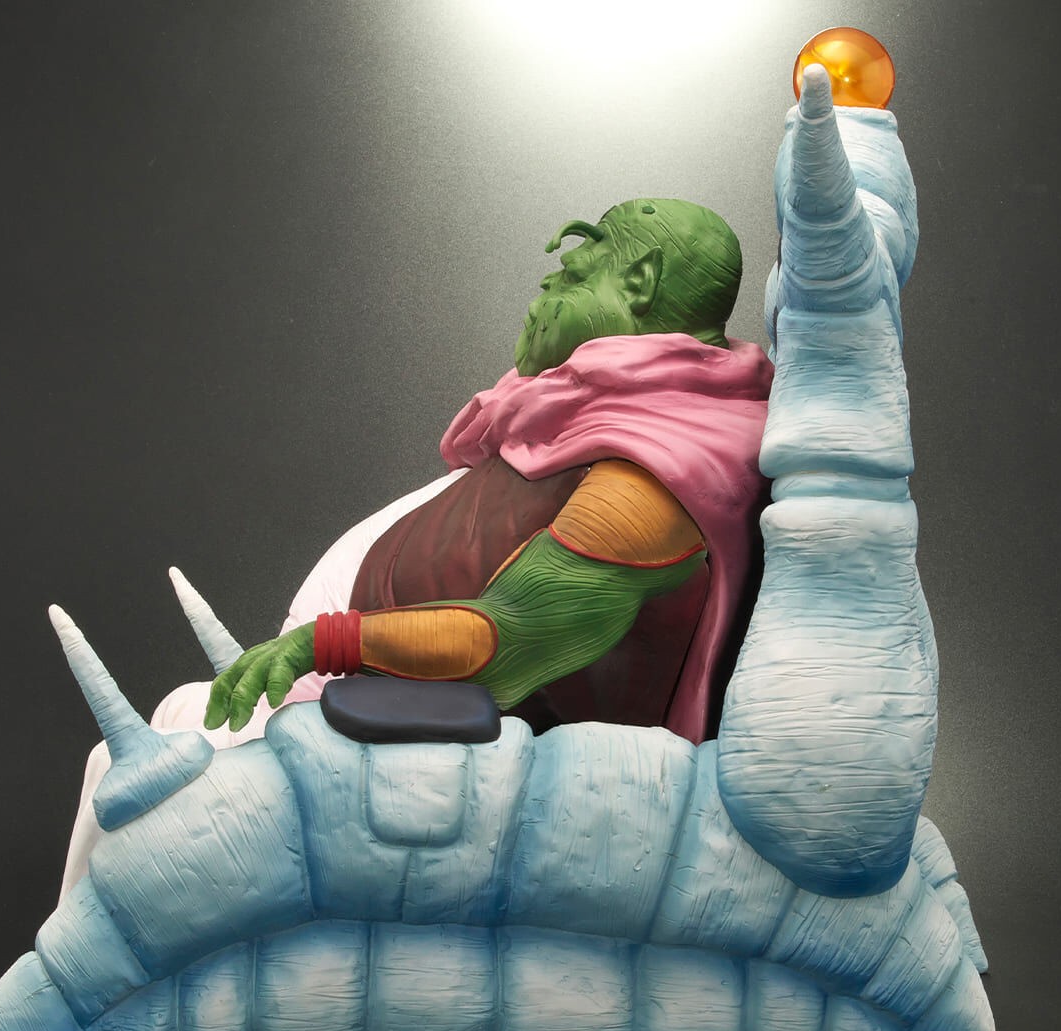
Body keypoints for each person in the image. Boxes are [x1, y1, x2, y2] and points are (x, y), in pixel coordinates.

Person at [204, 199, 773, 743]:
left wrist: (320, 642)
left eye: (572, 275)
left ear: (640, 282)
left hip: (416, 746)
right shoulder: (599, 413)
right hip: (323, 703)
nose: (545, 288)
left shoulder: (660, 473)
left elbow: (505, 641)